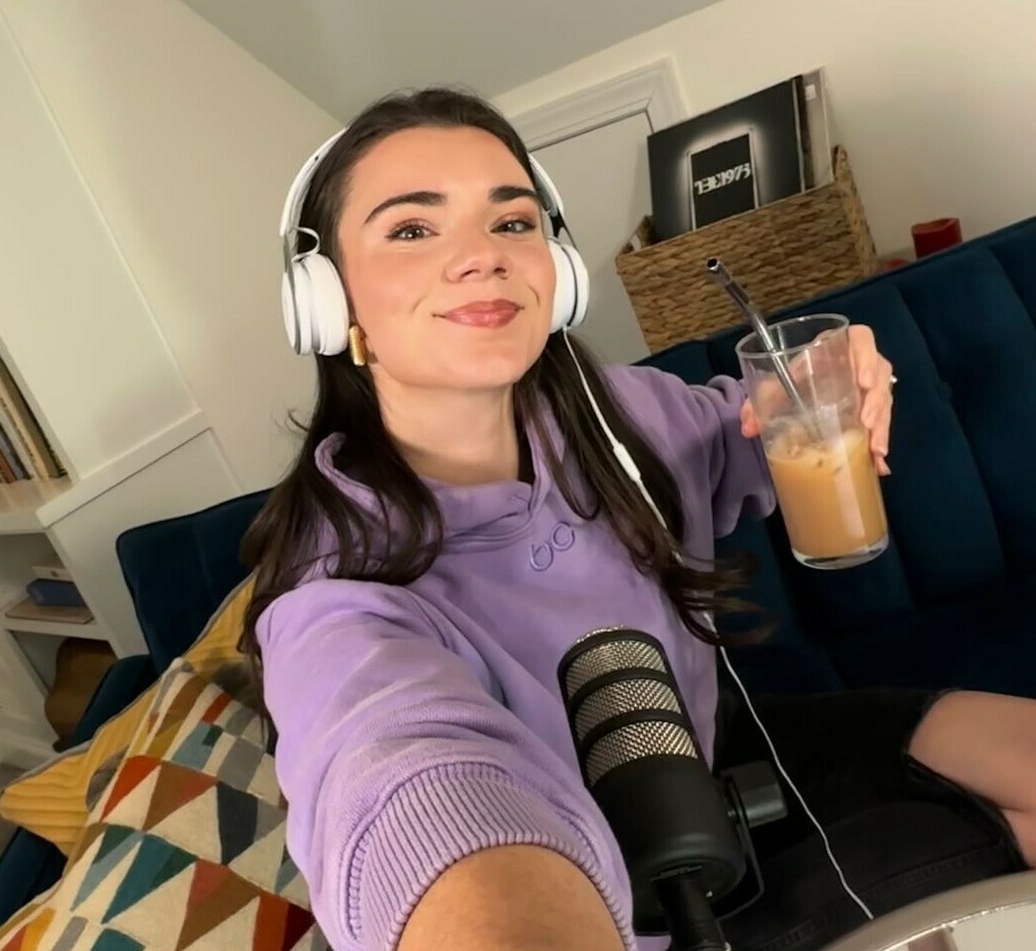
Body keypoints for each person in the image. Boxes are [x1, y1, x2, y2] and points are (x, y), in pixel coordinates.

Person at [238, 86, 1036, 951]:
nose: (482, 256)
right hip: (623, 890)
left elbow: (747, 430)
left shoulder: (614, 415)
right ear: (328, 300)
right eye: (411, 229)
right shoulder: (337, 599)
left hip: (712, 750)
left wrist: (822, 379)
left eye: (512, 222)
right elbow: (400, 774)